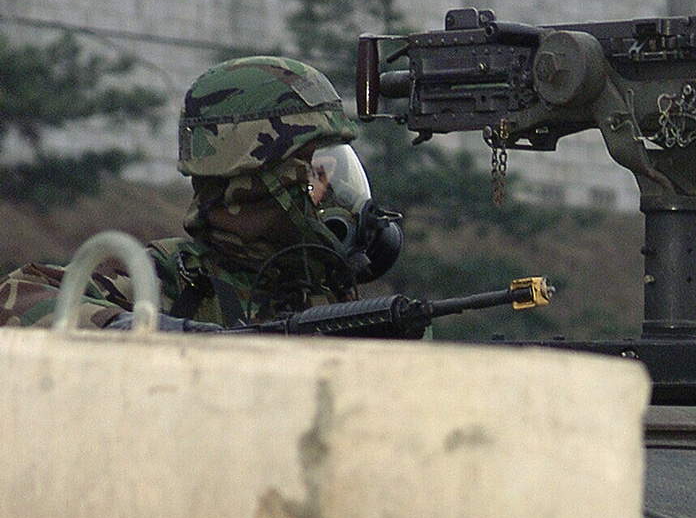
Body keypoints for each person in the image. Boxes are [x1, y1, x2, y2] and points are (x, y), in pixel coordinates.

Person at [0, 56, 403, 330]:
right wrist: (164, 333)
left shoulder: (333, 293)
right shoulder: (171, 279)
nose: (333, 198)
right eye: (312, 175)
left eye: (334, 173)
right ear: (252, 185)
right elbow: (16, 298)